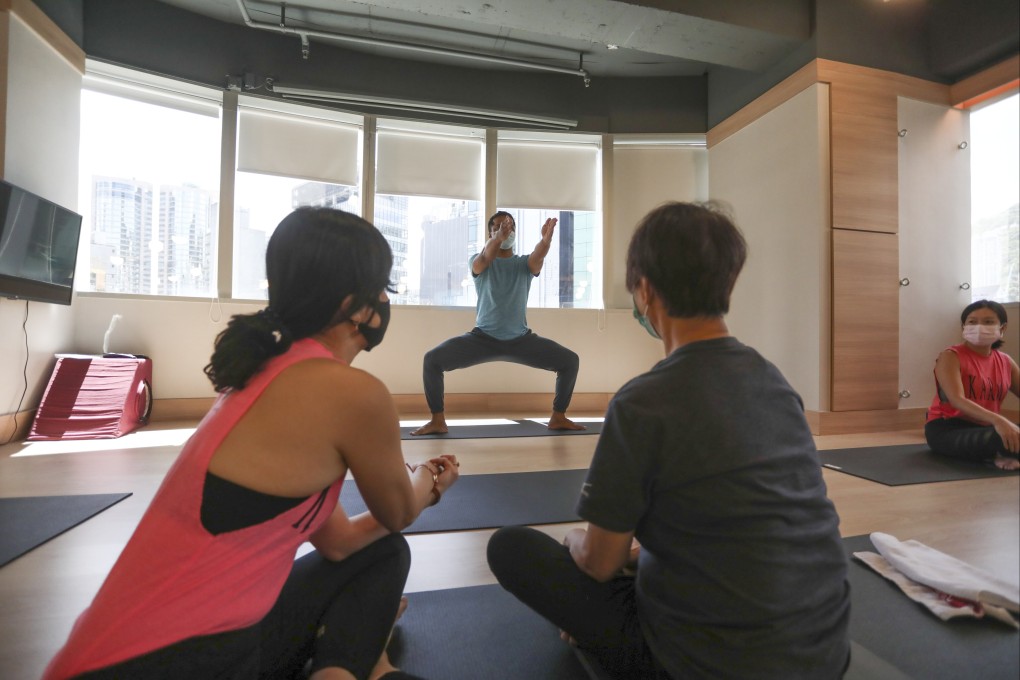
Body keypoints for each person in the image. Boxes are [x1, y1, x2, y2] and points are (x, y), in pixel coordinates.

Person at [43, 207, 459, 680]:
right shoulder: (354, 394)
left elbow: (340, 543)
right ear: (356, 306)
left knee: (383, 552)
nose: (386, 301)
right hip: (168, 659)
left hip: (186, 636)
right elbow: (399, 513)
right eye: (384, 288)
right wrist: (430, 481)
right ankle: (364, 663)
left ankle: (341, 668)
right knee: (390, 545)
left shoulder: (270, 372)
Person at [487, 202, 851, 679]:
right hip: (824, 653)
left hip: (698, 665)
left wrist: (577, 542)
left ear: (644, 290)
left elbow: (599, 563)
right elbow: (742, 526)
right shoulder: (775, 384)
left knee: (510, 548)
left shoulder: (642, 401)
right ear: (729, 284)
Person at [411, 210, 584, 435]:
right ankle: (437, 420)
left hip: (521, 339)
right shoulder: (477, 260)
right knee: (432, 360)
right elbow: (485, 259)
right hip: (482, 339)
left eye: (509, 226)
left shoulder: (523, 265)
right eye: (499, 226)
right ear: (491, 232)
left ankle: (558, 416)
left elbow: (537, 257)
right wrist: (497, 239)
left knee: (569, 361)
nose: (505, 229)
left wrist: (545, 240)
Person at [925, 300, 1020, 471]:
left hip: (987, 427)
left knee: (1011, 433)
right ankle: (998, 452)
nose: (979, 326)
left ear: (1002, 328)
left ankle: (1003, 452)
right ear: (964, 327)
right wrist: (999, 420)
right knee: (999, 438)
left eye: (988, 322)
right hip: (947, 429)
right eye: (972, 322)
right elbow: (957, 400)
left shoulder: (1006, 362)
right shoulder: (950, 356)